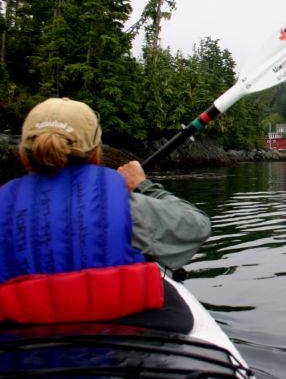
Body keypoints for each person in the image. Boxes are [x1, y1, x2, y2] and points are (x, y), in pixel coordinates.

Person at [0, 97, 211, 328]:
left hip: (23, 344)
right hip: (122, 347)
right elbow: (196, 226)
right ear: (96, 154)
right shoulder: (124, 208)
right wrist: (143, 185)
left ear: (22, 155)